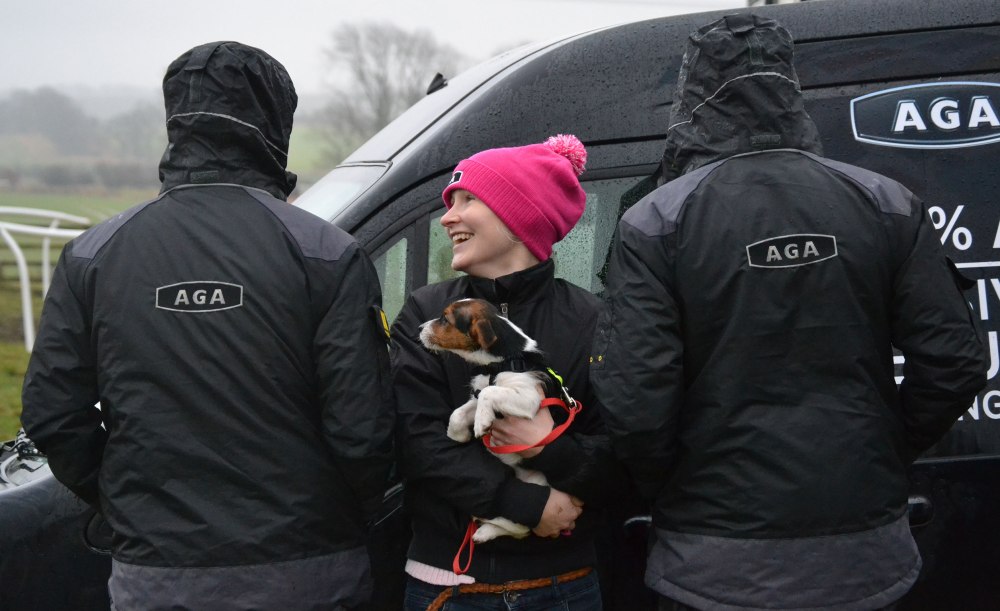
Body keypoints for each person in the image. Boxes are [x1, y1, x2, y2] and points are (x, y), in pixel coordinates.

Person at [592, 15, 988, 611]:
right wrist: (881, 447)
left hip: (712, 562)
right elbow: (955, 361)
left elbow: (635, 399)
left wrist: (681, 482)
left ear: (693, 91)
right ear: (789, 85)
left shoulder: (656, 220)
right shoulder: (884, 201)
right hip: (865, 555)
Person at [20, 41, 393, 610]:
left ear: (177, 122)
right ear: (275, 123)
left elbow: (53, 412)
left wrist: (126, 504)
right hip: (308, 573)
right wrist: (343, 515)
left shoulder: (92, 255)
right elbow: (362, 431)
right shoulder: (324, 253)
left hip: (156, 577)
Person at [392, 135, 622, 610]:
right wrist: (526, 505)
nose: (448, 216)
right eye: (449, 202)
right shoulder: (427, 311)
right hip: (449, 582)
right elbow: (416, 438)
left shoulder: (592, 318)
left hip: (563, 582)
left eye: (468, 199)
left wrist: (552, 449)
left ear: (521, 218)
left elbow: (625, 448)